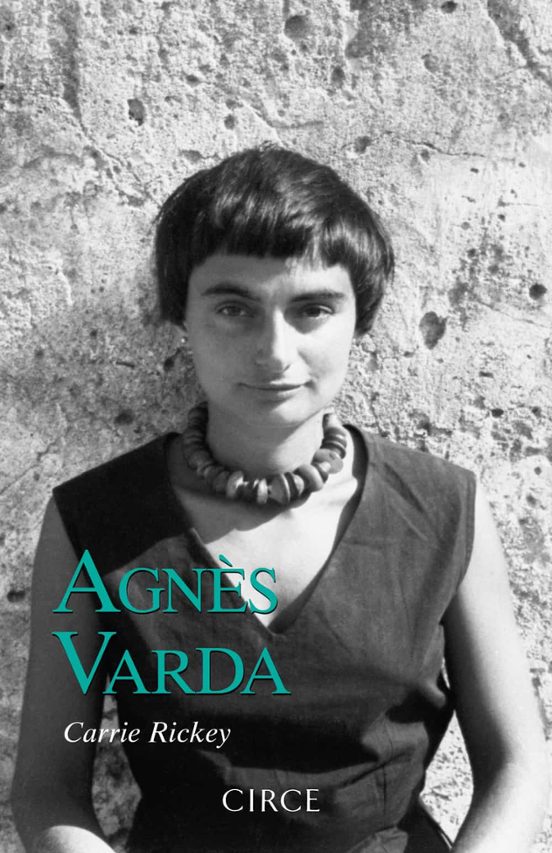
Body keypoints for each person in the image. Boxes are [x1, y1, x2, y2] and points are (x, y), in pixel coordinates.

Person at [11, 146, 549, 853]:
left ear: (359, 318)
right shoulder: (96, 519)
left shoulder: (443, 509)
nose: (273, 350)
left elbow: (518, 765)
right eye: (234, 307)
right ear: (181, 315)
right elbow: (47, 789)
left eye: (312, 309)